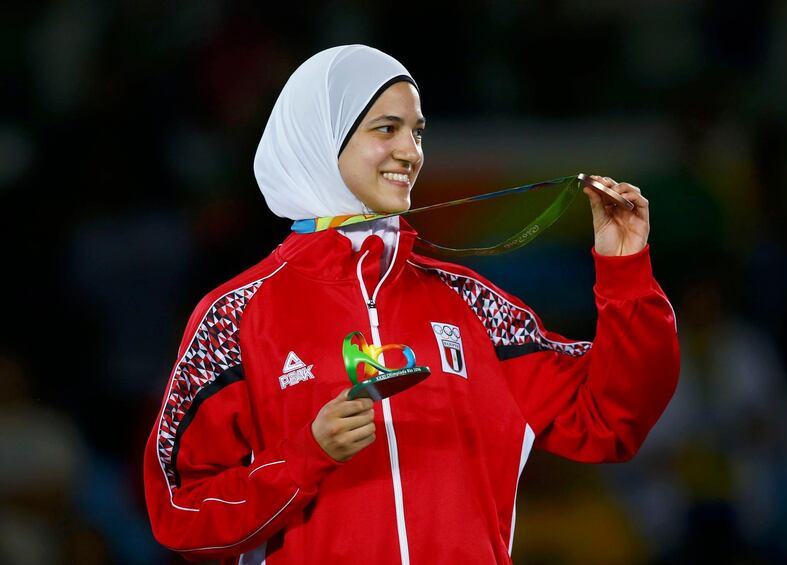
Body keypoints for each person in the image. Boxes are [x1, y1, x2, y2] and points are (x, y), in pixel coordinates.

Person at [143, 45, 679, 564]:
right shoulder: (237, 315)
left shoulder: (474, 305)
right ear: (321, 136)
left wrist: (625, 270)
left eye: (417, 131)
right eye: (386, 128)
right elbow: (178, 513)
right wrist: (306, 457)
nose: (411, 152)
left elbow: (611, 418)